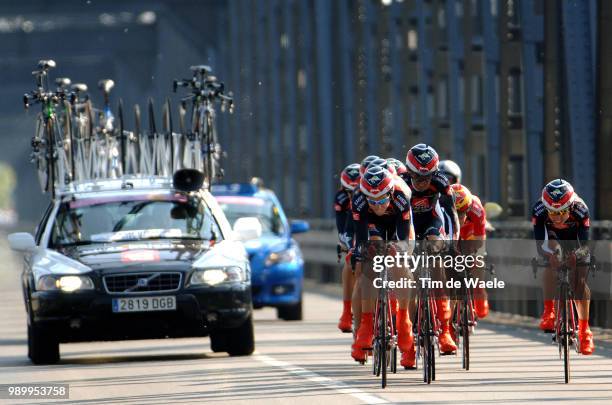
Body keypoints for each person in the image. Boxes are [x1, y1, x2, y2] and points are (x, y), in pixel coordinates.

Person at [351, 165, 416, 368]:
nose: (377, 205)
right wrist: (360, 254)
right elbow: (361, 237)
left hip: (399, 225)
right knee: (368, 261)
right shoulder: (359, 199)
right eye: (372, 201)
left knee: (399, 262)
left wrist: (400, 249)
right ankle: (367, 324)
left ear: (389, 192)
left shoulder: (400, 195)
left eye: (381, 200)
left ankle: (404, 321)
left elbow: (405, 236)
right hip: (372, 226)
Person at [402, 144, 460, 354]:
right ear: (409, 172)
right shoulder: (400, 183)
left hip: (431, 223)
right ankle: (407, 339)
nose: (422, 182)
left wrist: (452, 242)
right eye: (417, 177)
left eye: (427, 178)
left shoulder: (441, 184)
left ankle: (444, 329)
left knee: (436, 260)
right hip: (406, 224)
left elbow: (451, 217)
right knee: (408, 280)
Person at [532, 179, 594, 355]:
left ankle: (584, 331)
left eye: (562, 212)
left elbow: (585, 246)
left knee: (579, 281)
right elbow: (540, 244)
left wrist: (577, 256)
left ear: (571, 206)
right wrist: (550, 256)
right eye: (552, 213)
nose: (557, 217)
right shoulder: (538, 209)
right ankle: (549, 311)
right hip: (552, 238)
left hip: (575, 239)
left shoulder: (581, 209)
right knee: (550, 260)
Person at [451, 183, 489, 318]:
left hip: (470, 232)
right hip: (452, 231)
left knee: (478, 258)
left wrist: (475, 255)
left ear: (468, 209)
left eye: (462, 214)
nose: (459, 217)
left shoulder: (476, 209)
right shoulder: (443, 206)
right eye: (455, 213)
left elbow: (480, 240)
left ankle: (479, 290)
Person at [335, 163, 361, 333]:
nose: (352, 195)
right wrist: (347, 245)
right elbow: (343, 227)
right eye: (348, 191)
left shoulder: (368, 195)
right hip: (353, 230)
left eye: (355, 190)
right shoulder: (341, 199)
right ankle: (347, 311)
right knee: (349, 263)